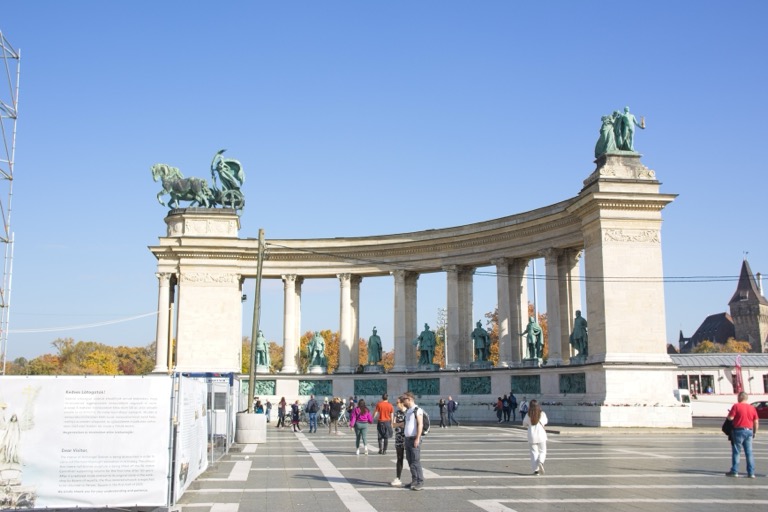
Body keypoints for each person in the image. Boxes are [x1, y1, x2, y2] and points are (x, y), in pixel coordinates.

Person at [725, 391, 759, 478]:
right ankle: (751, 473)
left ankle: (735, 471)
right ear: (746, 398)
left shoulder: (736, 406)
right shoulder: (752, 408)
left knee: (737, 452)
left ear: (740, 397)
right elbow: (756, 422)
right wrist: (754, 432)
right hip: (749, 431)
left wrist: (730, 415)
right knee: (749, 452)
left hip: (738, 431)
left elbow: (730, 418)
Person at [401, 392, 425, 491]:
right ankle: (414, 480)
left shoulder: (417, 410)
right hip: (407, 439)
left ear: (410, 399)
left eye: (404, 399)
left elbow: (420, 424)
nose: (403, 401)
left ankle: (420, 481)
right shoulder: (408, 411)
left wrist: (417, 438)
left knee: (415, 461)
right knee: (410, 461)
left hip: (414, 438)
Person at [522, 399, 548, 475]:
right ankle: (541, 461)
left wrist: (529, 424)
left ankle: (536, 470)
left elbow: (524, 424)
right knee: (543, 451)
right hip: (541, 435)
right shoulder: (542, 414)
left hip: (531, 435)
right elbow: (545, 421)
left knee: (534, 453)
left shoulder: (528, 415)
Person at [390, 397, 407, 487]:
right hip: (399, 438)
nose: (396, 404)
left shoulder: (409, 412)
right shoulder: (397, 412)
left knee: (411, 459)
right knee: (399, 458)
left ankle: (415, 478)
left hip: (408, 438)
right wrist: (401, 424)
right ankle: (398, 477)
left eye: (397, 402)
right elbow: (393, 424)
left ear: (402, 402)